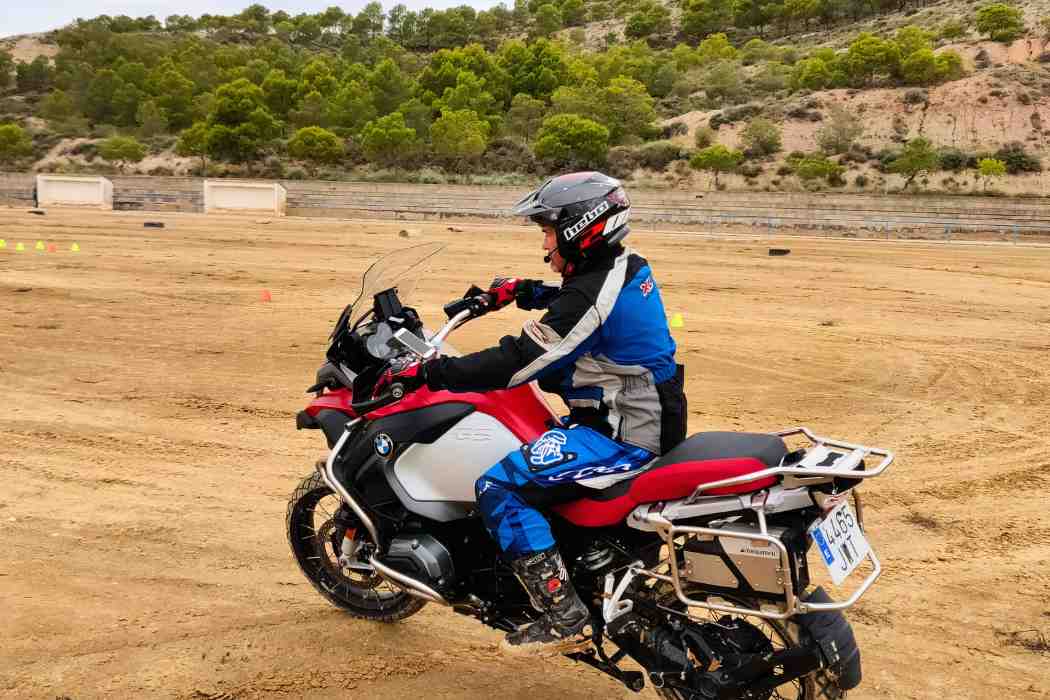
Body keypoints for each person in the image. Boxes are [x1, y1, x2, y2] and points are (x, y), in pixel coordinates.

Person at [375, 171, 686, 648]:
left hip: (623, 432)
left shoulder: (593, 293)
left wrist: (430, 373)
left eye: (548, 231)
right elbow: (577, 302)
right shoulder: (622, 266)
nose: (544, 243)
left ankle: (564, 614)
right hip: (634, 415)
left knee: (499, 486)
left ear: (580, 228)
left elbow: (520, 360)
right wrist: (523, 291)